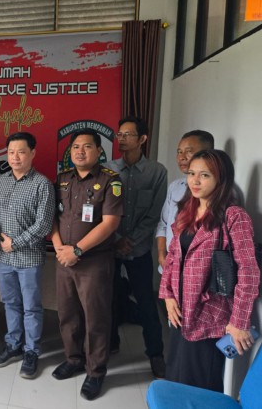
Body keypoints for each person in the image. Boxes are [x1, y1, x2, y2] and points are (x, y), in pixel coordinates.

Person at [160, 149, 259, 392]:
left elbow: (249, 272)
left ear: (220, 178)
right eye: (192, 173)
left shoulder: (234, 217)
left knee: (200, 383)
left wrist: (239, 321)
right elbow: (173, 256)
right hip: (180, 311)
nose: (195, 181)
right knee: (175, 375)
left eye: (204, 175)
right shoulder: (187, 210)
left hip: (210, 316)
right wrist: (168, 295)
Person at [0, 132, 55, 380]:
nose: (15, 157)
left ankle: (32, 351)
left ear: (32, 153)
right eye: (11, 152)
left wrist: (15, 243)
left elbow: (44, 225)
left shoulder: (42, 184)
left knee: (31, 307)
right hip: (4, 259)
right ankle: (13, 345)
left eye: (21, 151)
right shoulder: (0, 183)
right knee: (10, 303)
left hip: (29, 259)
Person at [51, 128, 123, 401]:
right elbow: (52, 217)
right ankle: (73, 359)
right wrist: (59, 248)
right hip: (64, 259)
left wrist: (78, 250)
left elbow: (110, 223)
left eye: (87, 146)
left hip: (94, 261)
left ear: (99, 151)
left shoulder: (110, 180)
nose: (80, 151)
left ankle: (95, 371)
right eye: (75, 147)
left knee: (96, 317)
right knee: (67, 313)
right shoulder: (62, 179)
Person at [104, 116, 167, 378]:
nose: (121, 139)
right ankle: (111, 342)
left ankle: (155, 353)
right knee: (108, 297)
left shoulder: (157, 172)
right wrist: (117, 238)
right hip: (111, 246)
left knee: (146, 302)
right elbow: (102, 209)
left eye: (127, 134)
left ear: (142, 139)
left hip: (139, 250)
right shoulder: (108, 169)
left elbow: (155, 214)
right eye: (119, 134)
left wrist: (130, 240)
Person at [156, 130, 214, 269]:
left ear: (207, 154)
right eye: (179, 152)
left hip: (199, 269)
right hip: (170, 265)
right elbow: (163, 224)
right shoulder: (175, 187)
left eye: (188, 151)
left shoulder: (220, 192)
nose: (181, 157)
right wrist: (162, 255)